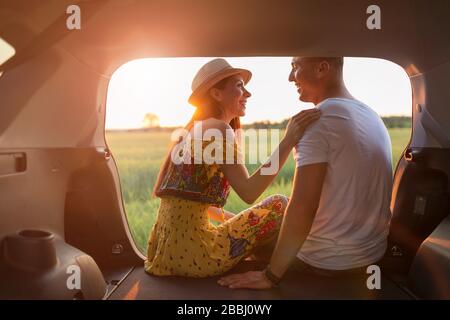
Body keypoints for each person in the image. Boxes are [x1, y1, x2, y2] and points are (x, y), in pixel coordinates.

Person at [218, 57, 393, 289]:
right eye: (240, 86)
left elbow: (302, 206)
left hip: (325, 261)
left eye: (295, 67)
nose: (291, 77)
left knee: (257, 227)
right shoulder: (372, 115)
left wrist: (270, 276)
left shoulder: (318, 120)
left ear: (322, 68)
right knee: (275, 210)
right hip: (370, 254)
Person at [145, 58, 320, 277]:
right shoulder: (218, 129)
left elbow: (199, 204)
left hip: (165, 255)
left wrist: (242, 221)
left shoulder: (192, 131)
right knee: (279, 204)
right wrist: (288, 141)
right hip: (198, 255)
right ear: (216, 94)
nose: (248, 94)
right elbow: (249, 192)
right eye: (239, 86)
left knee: (258, 217)